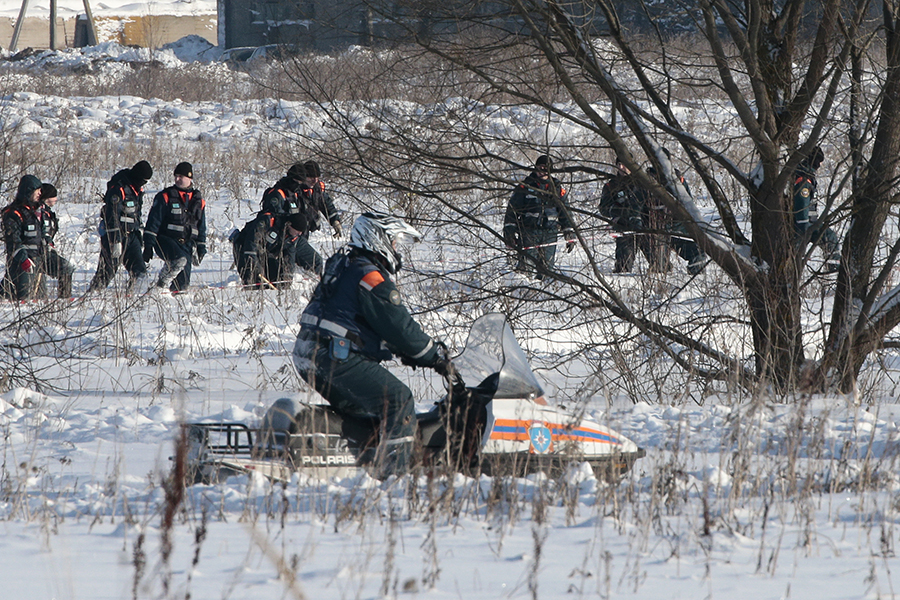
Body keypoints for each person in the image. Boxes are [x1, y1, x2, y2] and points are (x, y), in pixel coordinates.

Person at [292, 212, 453, 478]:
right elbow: (399, 326)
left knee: (365, 412)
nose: (395, 249)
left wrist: (400, 350)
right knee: (398, 401)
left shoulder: (344, 264)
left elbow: (363, 320)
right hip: (336, 356)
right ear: (376, 238)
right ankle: (395, 476)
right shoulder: (371, 278)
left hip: (309, 352)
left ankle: (353, 465)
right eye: (393, 242)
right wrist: (434, 356)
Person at [503, 155, 576, 279]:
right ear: (535, 168)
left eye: (545, 168)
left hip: (550, 233)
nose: (542, 170)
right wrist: (509, 233)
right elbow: (512, 211)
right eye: (540, 167)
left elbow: (565, 213)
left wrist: (569, 232)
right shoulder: (525, 186)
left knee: (547, 270)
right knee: (527, 269)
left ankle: (545, 293)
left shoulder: (557, 189)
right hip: (529, 232)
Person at [87, 160, 153, 292]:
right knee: (107, 271)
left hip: (131, 235)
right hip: (115, 235)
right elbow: (112, 215)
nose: (144, 184)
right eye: (143, 180)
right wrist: (115, 240)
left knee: (140, 272)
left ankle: (136, 297)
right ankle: (94, 293)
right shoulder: (119, 188)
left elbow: (136, 214)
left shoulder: (137, 190)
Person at [143, 162, 207, 292]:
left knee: (182, 286)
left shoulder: (199, 201)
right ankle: (161, 283)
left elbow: (201, 227)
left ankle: (173, 303)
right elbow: (153, 222)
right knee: (179, 260)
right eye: (176, 176)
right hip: (166, 241)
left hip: (187, 245)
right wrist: (148, 245)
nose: (177, 179)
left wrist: (201, 246)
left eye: (181, 176)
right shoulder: (165, 196)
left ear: (190, 178)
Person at [646, 149, 707, 275]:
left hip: (677, 229)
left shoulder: (679, 181)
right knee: (660, 268)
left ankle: (696, 283)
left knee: (699, 254)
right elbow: (639, 208)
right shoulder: (646, 181)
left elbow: (688, 205)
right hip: (656, 231)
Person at [599, 154, 660, 273]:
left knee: (660, 265)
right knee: (622, 268)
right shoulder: (611, 185)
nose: (622, 167)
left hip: (647, 228)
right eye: (619, 165)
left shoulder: (643, 182)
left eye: (625, 164)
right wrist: (623, 211)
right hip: (625, 229)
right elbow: (604, 209)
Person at [793, 145, 841, 273]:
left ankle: (834, 267)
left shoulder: (805, 176)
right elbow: (801, 207)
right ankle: (834, 269)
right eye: (818, 162)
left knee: (829, 237)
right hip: (802, 226)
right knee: (792, 256)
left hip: (809, 223)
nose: (818, 166)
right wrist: (805, 230)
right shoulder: (803, 179)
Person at [1, 175, 45, 300]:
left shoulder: (35, 212)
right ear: (28, 191)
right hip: (21, 264)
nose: (39, 193)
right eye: (37, 190)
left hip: (37, 262)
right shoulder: (13, 213)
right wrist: (23, 259)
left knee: (39, 301)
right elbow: (13, 241)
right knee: (21, 300)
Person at [236, 211, 308, 288]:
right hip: (244, 249)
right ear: (289, 225)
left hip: (265, 252)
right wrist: (256, 267)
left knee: (276, 278)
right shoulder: (267, 222)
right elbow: (251, 244)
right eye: (297, 231)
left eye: (300, 232)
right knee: (255, 279)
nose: (299, 234)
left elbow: (289, 257)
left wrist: (287, 276)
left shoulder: (291, 236)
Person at [295, 160, 343, 275]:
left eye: (317, 177)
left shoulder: (317, 189)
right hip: (293, 233)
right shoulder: (295, 190)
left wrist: (335, 221)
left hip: (305, 231)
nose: (314, 180)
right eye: (311, 177)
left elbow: (327, 205)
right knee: (310, 260)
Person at [38, 183, 75, 298]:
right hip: (39, 253)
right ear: (47, 198)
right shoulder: (39, 212)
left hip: (46, 250)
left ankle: (63, 296)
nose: (56, 199)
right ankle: (64, 298)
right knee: (65, 267)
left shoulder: (47, 212)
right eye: (54, 196)